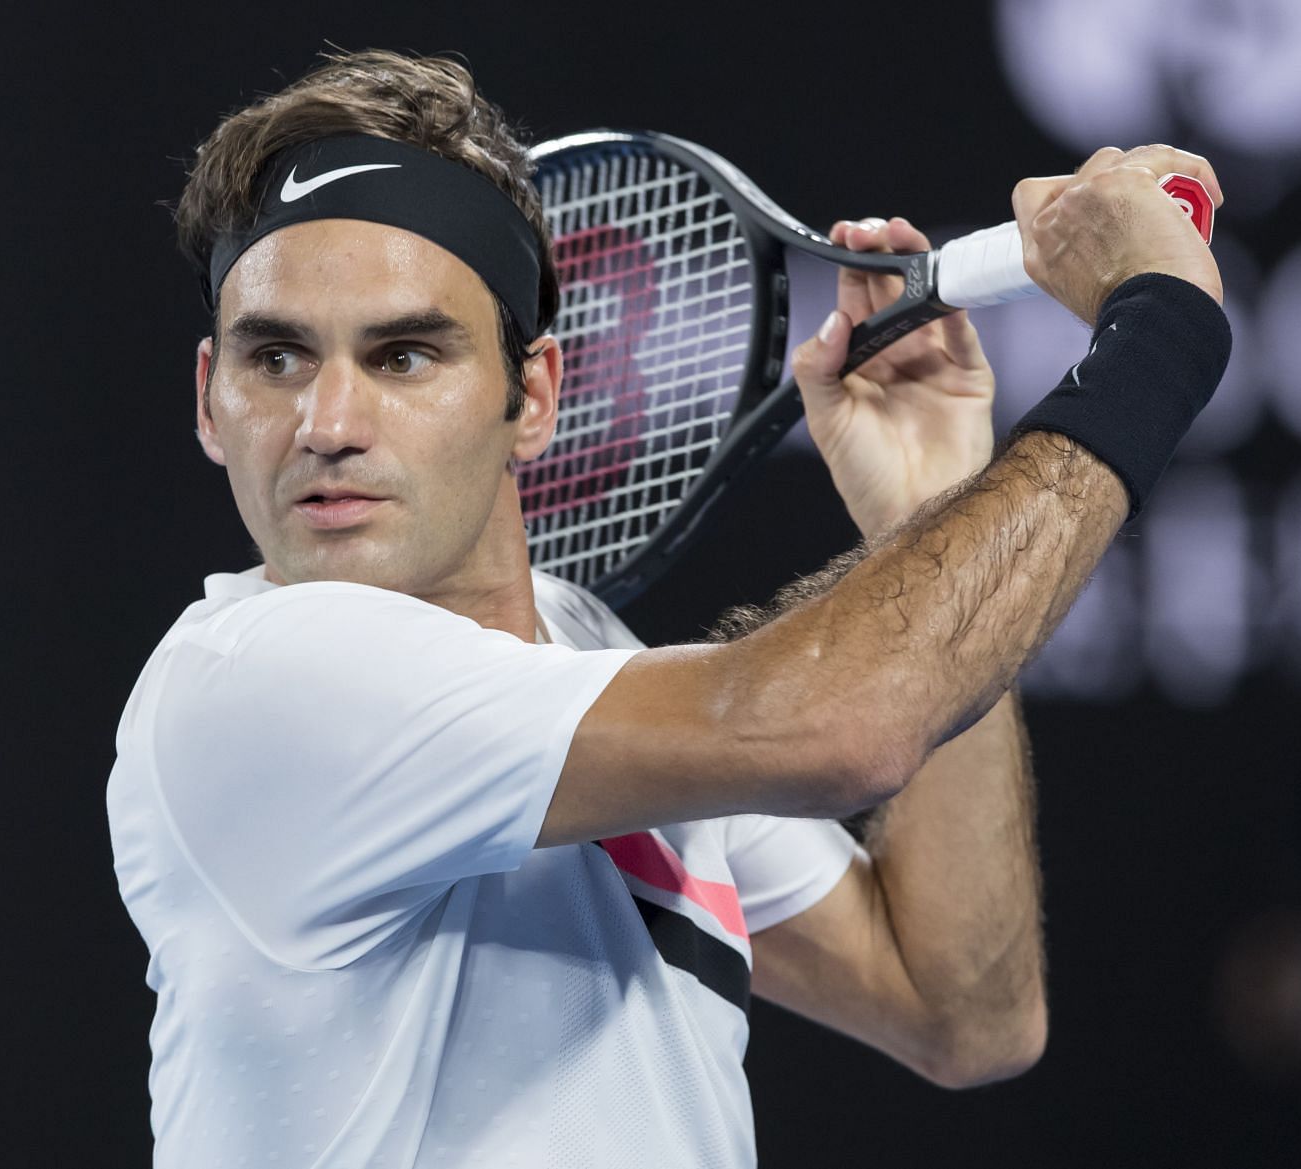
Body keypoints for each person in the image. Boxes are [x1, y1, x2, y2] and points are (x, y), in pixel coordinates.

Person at [107, 50, 1228, 1169]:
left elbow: (962, 1007)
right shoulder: (253, 684)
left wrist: (925, 507)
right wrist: (1160, 330)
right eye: (277, 357)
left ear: (532, 395)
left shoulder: (585, 659)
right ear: (211, 398)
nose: (328, 420)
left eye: (404, 353)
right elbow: (848, 722)